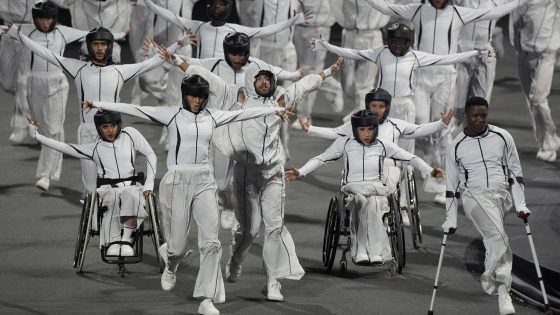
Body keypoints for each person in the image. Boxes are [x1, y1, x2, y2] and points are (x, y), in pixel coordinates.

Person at [84, 71, 293, 315]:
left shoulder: (213, 116)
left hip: (204, 180)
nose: (197, 101)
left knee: (212, 242)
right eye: (193, 97)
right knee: (178, 247)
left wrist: (273, 111)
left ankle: (207, 299)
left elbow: (242, 113)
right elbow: (135, 108)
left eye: (201, 97)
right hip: (177, 181)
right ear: (185, 96)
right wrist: (99, 104)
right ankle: (170, 262)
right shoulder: (171, 114)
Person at [171, 51, 342, 301]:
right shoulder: (235, 96)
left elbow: (306, 84)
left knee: (274, 228)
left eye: (268, 79)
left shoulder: (282, 99)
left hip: (273, 174)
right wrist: (176, 60)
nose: (264, 82)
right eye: (259, 78)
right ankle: (236, 258)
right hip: (245, 176)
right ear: (251, 80)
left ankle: (272, 282)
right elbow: (202, 74)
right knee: (249, 231)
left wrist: (328, 71)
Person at [363, 0, 527, 202]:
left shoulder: (457, 13)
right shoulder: (417, 10)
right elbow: (386, 8)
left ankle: (443, 184)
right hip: (420, 73)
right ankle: (430, 163)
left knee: (441, 127)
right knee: (421, 124)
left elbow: (493, 13)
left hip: (446, 75)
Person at [311, 22, 484, 204]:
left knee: (403, 157)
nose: (397, 46)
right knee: (377, 151)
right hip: (380, 109)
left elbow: (445, 59)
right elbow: (353, 53)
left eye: (402, 42)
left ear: (408, 42)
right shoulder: (380, 53)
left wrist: (475, 53)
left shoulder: (415, 57)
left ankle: (403, 201)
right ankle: (377, 190)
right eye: (394, 41)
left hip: (405, 108)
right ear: (389, 40)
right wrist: (325, 45)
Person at [1, 24, 179, 198]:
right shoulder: (77, 68)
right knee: (91, 191)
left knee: (120, 186)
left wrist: (179, 43)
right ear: (89, 46)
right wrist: (19, 36)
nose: (100, 48)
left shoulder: (121, 71)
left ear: (109, 46)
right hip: (88, 133)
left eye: (103, 44)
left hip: (115, 135)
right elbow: (45, 53)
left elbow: (153, 62)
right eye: (95, 44)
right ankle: (94, 220)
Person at [168, 32, 302, 230]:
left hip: (250, 130)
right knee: (222, 183)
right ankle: (227, 205)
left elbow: (278, 76)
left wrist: (295, 75)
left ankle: (244, 210)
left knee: (253, 174)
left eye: (241, 54)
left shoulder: (257, 67)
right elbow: (193, 65)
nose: (237, 59)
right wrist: (175, 57)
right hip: (222, 129)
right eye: (233, 54)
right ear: (226, 52)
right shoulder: (214, 64)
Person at [286, 110, 443, 264]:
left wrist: (430, 171)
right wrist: (301, 172)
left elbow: (411, 158)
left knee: (373, 203)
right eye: (362, 130)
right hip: (353, 191)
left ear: (375, 129)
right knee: (360, 201)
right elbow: (321, 159)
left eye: (370, 129)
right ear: (355, 130)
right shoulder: (345, 143)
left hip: (376, 191)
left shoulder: (383, 145)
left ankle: (374, 250)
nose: (366, 134)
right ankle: (360, 248)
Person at [300, 88, 453, 225]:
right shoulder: (357, 124)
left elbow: (419, 129)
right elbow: (334, 132)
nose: (377, 110)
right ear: (367, 106)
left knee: (388, 179)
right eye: (374, 106)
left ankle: (388, 211)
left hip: (389, 169)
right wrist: (310, 129)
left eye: (381, 106)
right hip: (363, 168)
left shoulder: (396, 124)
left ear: (387, 108)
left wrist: (441, 123)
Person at [17, 1, 124, 192]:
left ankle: (46, 174)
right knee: (42, 128)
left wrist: (117, 35)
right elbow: (7, 29)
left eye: (48, 18)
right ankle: (47, 168)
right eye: (41, 18)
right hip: (34, 83)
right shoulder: (26, 30)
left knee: (54, 128)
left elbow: (90, 34)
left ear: (54, 18)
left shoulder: (62, 32)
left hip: (56, 83)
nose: (44, 22)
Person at [443, 97, 531, 315]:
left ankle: (494, 278)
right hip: (474, 196)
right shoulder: (456, 146)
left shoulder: (503, 136)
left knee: (494, 238)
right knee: (498, 237)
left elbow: (515, 172)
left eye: (484, 115)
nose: (480, 120)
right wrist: (450, 218)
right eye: (475, 116)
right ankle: (502, 290)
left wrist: (521, 203)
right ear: (466, 117)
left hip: (501, 197)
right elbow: (451, 186)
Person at [28, 110, 156, 257]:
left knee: (132, 196)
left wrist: (149, 183)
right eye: (105, 127)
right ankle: (114, 241)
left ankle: (126, 240)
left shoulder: (130, 134)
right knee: (112, 199)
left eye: (113, 126)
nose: (110, 130)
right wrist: (36, 135)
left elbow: (151, 154)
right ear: (99, 128)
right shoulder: (94, 148)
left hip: (132, 186)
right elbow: (64, 147)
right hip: (108, 189)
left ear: (119, 125)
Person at [135, 0, 312, 59]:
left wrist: (293, 21)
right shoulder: (198, 26)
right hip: (201, 82)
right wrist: (147, 2)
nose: (218, 8)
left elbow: (267, 30)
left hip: (224, 85)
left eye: (222, 5)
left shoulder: (235, 29)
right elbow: (168, 15)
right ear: (209, 7)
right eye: (216, 4)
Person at [510, 0, 560, 162]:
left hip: (545, 53)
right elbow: (511, 16)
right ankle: (545, 141)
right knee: (531, 100)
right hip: (522, 52)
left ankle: (550, 143)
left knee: (537, 99)